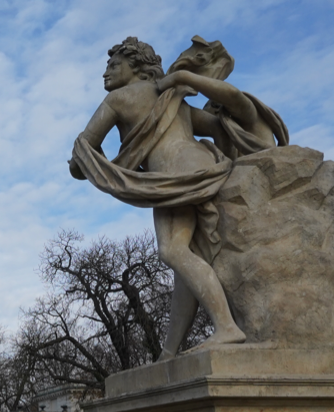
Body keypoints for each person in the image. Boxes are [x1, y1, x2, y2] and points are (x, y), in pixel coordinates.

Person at [69, 37, 246, 360]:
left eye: (114, 65)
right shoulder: (173, 98)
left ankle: (226, 327)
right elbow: (218, 128)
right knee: (185, 258)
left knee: (172, 251)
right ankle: (169, 352)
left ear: (136, 68)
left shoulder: (118, 99)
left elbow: (83, 154)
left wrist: (86, 162)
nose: (106, 73)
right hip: (205, 167)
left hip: (171, 177)